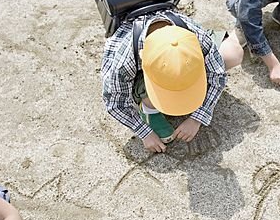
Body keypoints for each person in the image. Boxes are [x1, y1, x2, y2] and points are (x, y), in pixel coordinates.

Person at [101, 9, 243, 153]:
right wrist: (144, 132)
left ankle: (179, 87)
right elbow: (115, 102)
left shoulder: (196, 37)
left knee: (233, 54)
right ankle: (149, 107)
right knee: (142, 93)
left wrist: (197, 118)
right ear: (143, 58)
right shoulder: (124, 60)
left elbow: (217, 77)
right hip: (138, 69)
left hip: (179, 53)